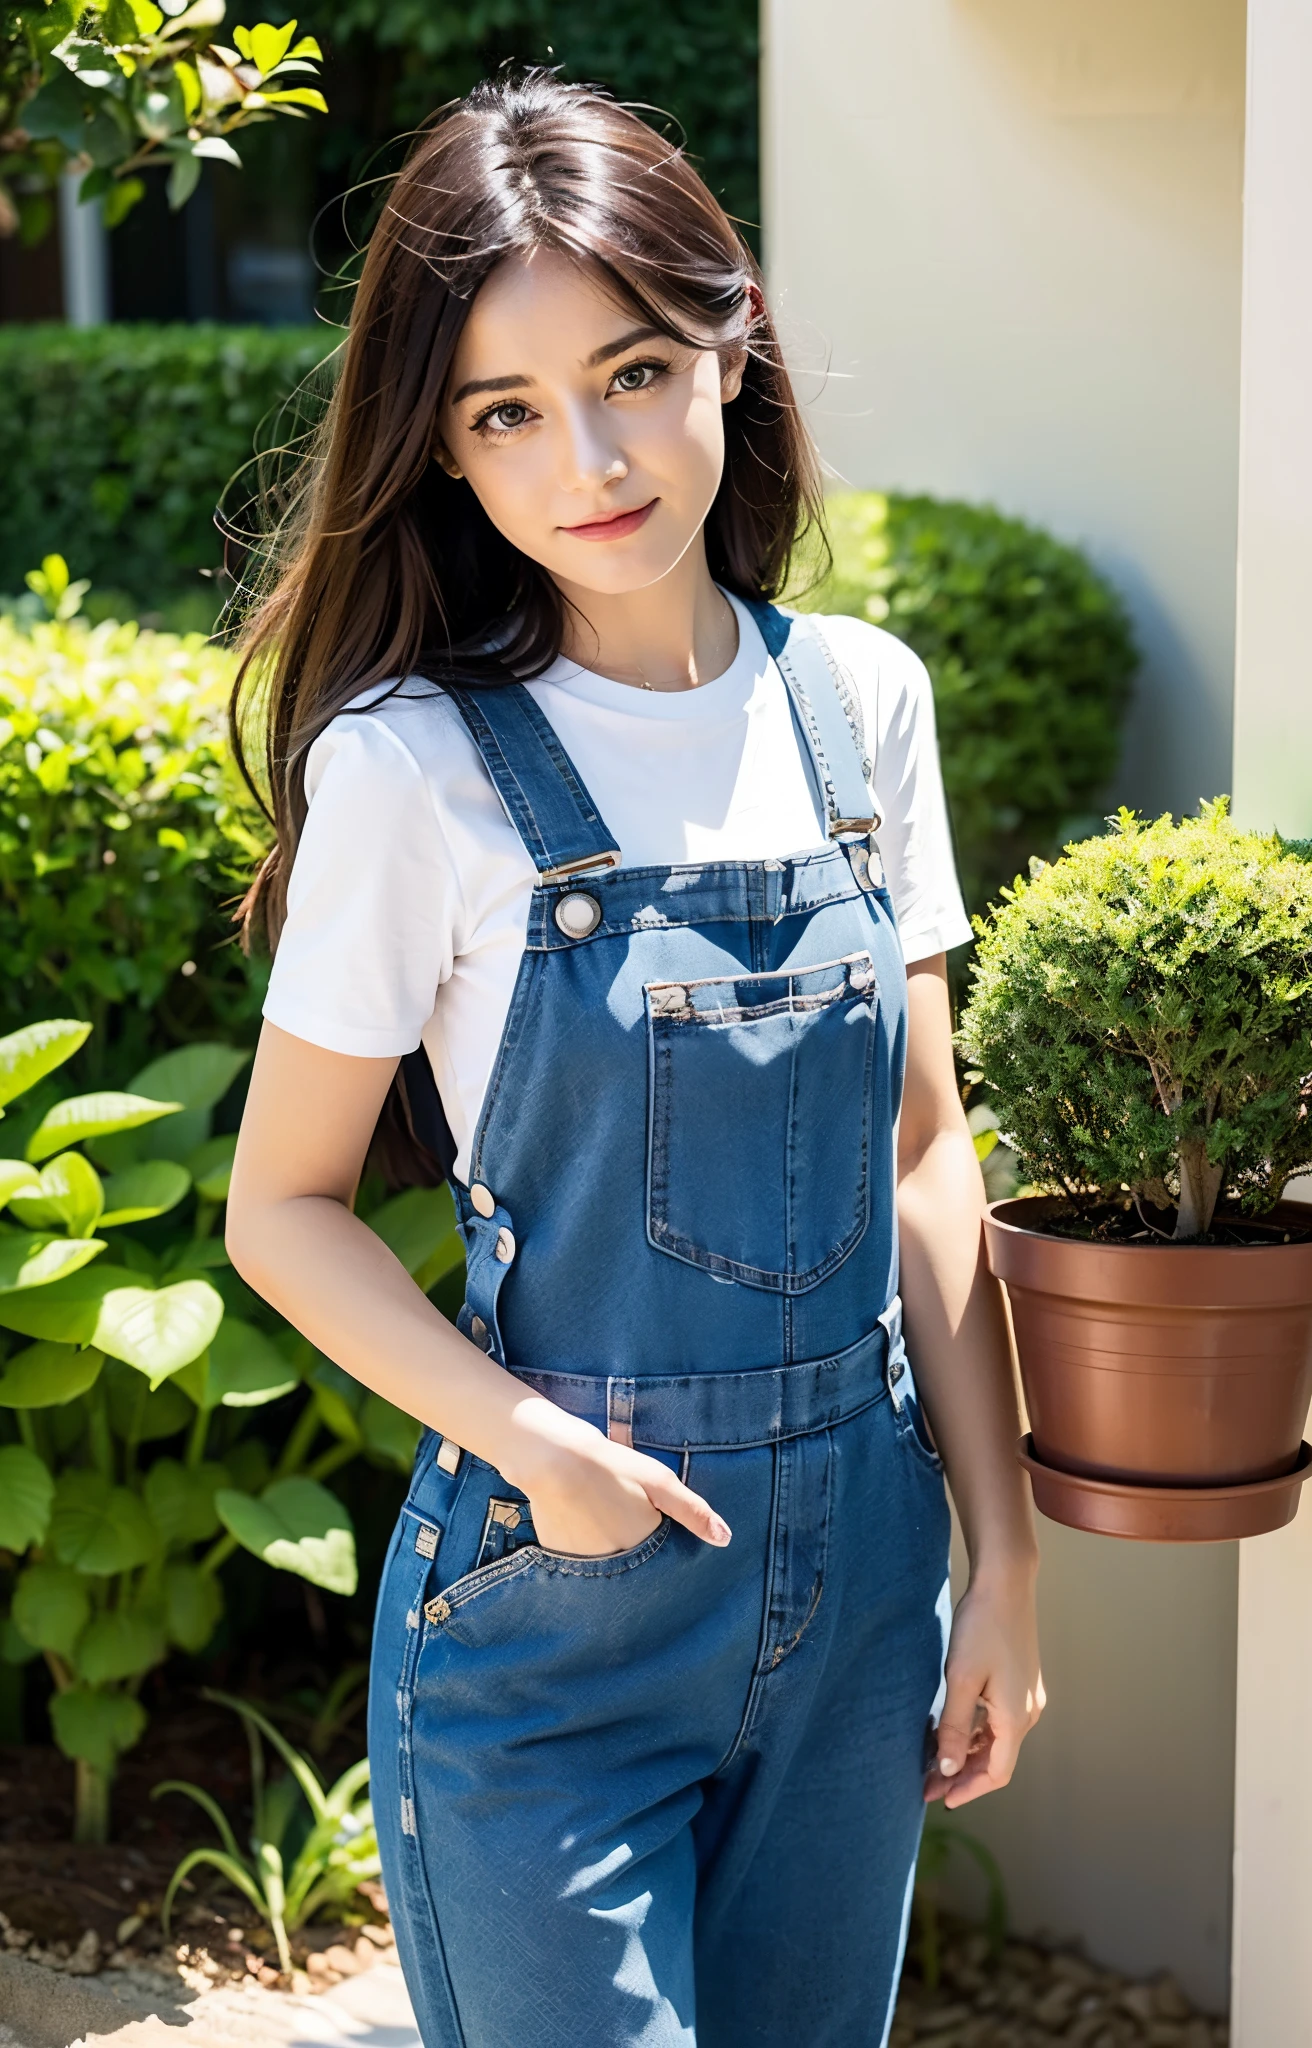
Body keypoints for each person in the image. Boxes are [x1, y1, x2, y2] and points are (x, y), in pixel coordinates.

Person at [225, 69, 1043, 2048]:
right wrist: (532, 1445)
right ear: (440, 451)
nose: (585, 457)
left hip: (860, 1593)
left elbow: (925, 1157)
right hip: (553, 1616)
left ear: (727, 337)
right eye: (504, 413)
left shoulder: (860, 706)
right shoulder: (412, 766)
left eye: (632, 369)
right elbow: (284, 1209)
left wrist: (997, 1560)